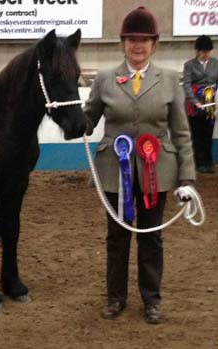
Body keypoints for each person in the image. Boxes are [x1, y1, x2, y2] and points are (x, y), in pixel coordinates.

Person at [84, 6, 196, 324]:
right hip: (112, 171)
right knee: (116, 237)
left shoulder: (170, 80)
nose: (138, 45)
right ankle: (116, 298)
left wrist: (187, 178)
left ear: (154, 44)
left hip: (156, 172)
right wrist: (73, 119)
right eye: (132, 39)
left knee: (150, 237)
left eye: (144, 40)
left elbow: (182, 133)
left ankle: (152, 301)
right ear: (123, 42)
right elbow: (88, 120)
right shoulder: (105, 79)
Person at [183, 35, 218, 173]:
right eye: (203, 51)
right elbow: (186, 85)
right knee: (197, 135)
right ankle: (198, 163)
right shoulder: (189, 65)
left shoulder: (215, 63)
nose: (206, 54)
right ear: (197, 51)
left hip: (210, 105)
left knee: (208, 134)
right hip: (195, 106)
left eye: (208, 51)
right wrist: (195, 102)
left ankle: (208, 162)